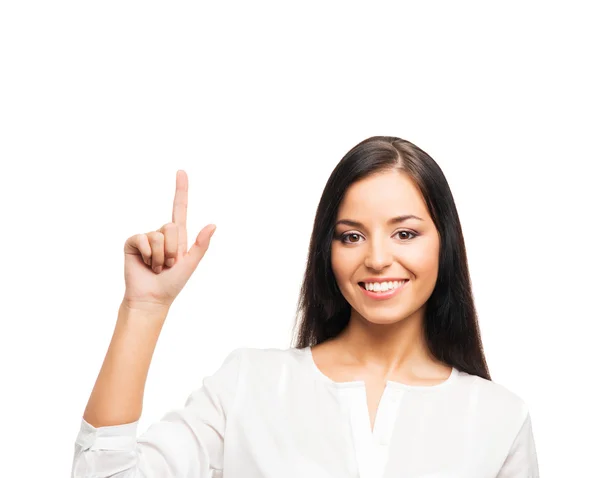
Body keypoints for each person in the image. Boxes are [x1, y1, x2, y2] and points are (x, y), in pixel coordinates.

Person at [71, 136, 539, 477]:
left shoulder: (498, 418)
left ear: (445, 245)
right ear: (327, 251)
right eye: (351, 236)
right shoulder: (249, 385)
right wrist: (143, 309)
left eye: (405, 233)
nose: (377, 259)